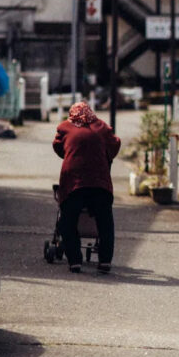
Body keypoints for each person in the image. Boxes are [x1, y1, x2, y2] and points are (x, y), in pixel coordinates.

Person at [53, 102, 121, 274]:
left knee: (67, 221)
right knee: (105, 222)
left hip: (74, 182)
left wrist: (70, 153)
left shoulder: (65, 127)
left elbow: (58, 146)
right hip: (99, 182)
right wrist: (105, 156)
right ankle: (105, 261)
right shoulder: (101, 127)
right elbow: (115, 143)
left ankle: (75, 260)